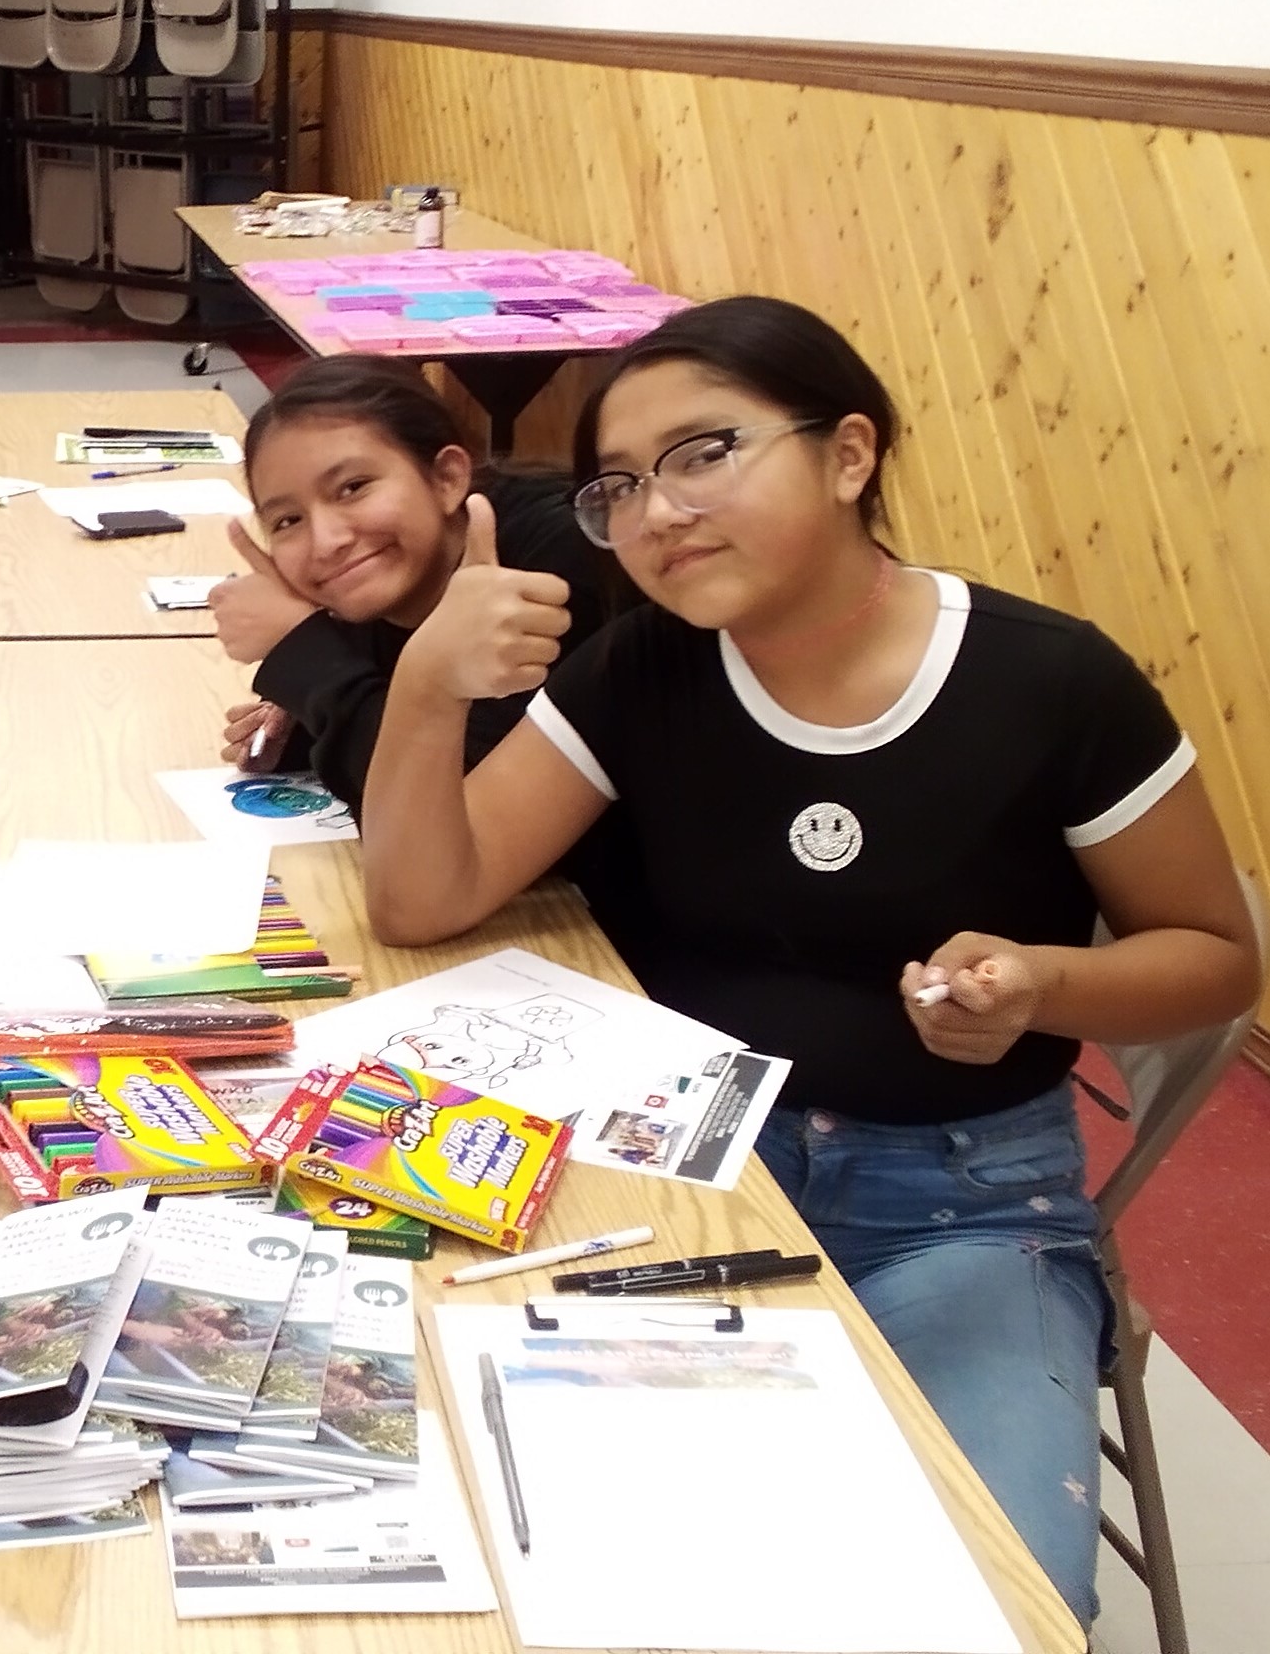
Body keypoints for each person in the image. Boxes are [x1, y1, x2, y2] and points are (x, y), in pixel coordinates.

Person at [357, 295, 1260, 1626]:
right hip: (686, 1170)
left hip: (962, 1213)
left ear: (849, 455)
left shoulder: (1049, 684)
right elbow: (422, 895)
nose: (658, 511)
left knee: (988, 1607)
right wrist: (430, 683)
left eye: (705, 453)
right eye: (620, 483)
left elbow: (1216, 962)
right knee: (569, 1572)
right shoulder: (642, 669)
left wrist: (1042, 983)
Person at [212, 355, 616, 814]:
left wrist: (305, 653)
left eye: (353, 487)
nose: (326, 542)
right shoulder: (388, 585)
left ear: (446, 478)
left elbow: (456, 807)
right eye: (288, 520)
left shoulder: (558, 565)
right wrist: (310, 720)